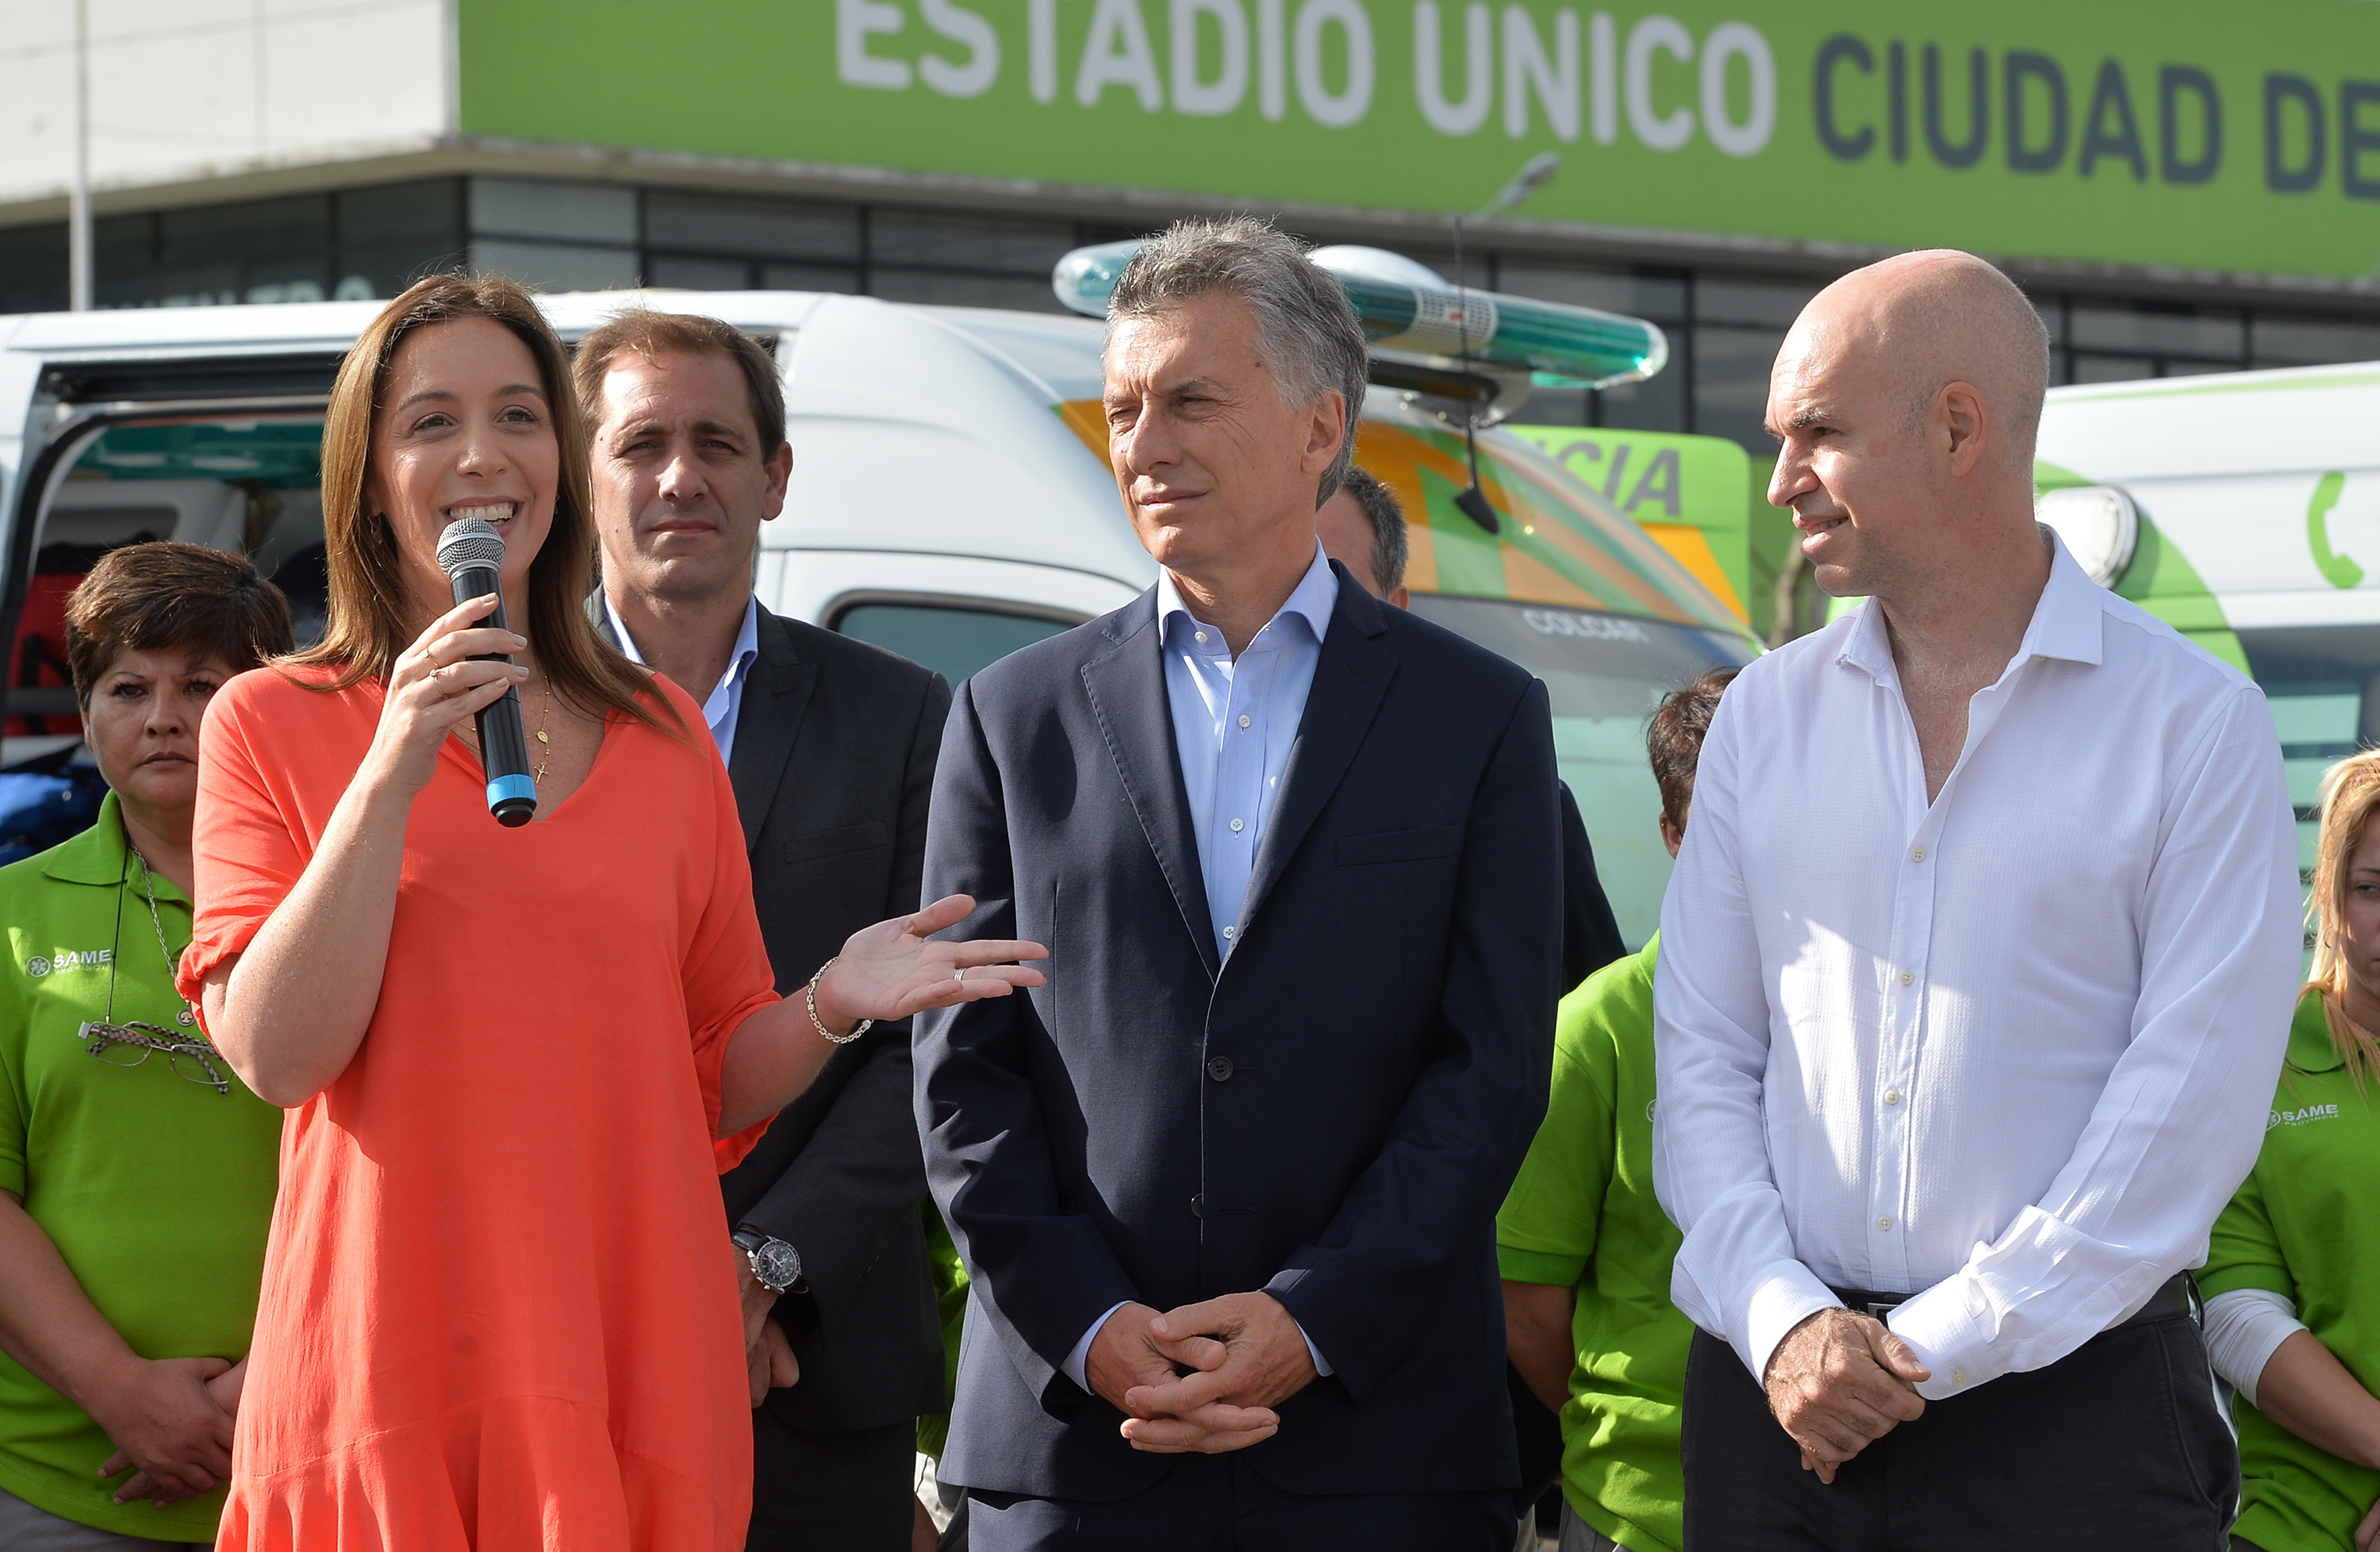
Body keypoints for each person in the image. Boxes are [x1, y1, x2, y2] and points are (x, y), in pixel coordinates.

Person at [175, 273, 1042, 1551]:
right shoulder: (270, 722)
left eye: (520, 416)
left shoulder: (665, 739)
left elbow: (713, 1080)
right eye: (432, 423)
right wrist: (391, 767)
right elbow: (277, 1051)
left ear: (558, 465)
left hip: (631, 1366)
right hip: (390, 1362)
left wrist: (828, 1008)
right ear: (366, 475)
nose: (483, 455)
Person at [914, 216, 1562, 1551]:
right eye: (1122, 407)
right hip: (1077, 1448)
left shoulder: (1477, 719)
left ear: (1322, 427)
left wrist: (1314, 1315)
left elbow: (1492, 1069)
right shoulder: (1008, 716)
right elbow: (959, 1068)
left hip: (1376, 1448)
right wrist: (1091, 1326)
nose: (1143, 443)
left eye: (1191, 400)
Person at [1652, 248, 2301, 1549]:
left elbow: (2184, 1110)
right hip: (1778, 1415)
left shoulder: (2194, 725)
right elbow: (1706, 1066)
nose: (1781, 480)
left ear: (1958, 425)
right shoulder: (1763, 723)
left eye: (1818, 433)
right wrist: (1787, 1326)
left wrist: (1913, 1352)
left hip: (2074, 1427)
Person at [576, 307, 955, 1552]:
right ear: (586, 479)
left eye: (718, 443)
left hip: (809, 1360)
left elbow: (928, 1037)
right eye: (640, 444)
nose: (681, 476)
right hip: (550, 1340)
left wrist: (760, 1269)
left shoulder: (904, 718)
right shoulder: (484, 717)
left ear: (776, 477)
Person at [0, 544, 291, 1551]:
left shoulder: (339, 904)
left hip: (309, 1462)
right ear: (84, 716)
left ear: (268, 706)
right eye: (127, 686)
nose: (163, 715)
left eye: (202, 685)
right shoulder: (11, 916)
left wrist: (285, 1378)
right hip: (57, 1478)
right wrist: (122, 1392)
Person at [1500, 667, 1733, 1552]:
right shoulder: (1596, 1030)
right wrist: (1634, 1438)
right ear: (1672, 835)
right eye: (1721, 821)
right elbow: (1528, 1306)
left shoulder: (1879, 1018)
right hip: (1640, 1515)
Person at [1312, 467, 1622, 996]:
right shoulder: (1188, 761)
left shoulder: (1501, 792)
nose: (1300, 609)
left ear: (1396, 609)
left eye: (1330, 584)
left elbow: (1580, 1016)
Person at [2203, 749, 2380, 1552]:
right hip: (2296, 1527)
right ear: (2331, 894)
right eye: (2372, 888)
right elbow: (2238, 1315)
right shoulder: (2257, 1061)